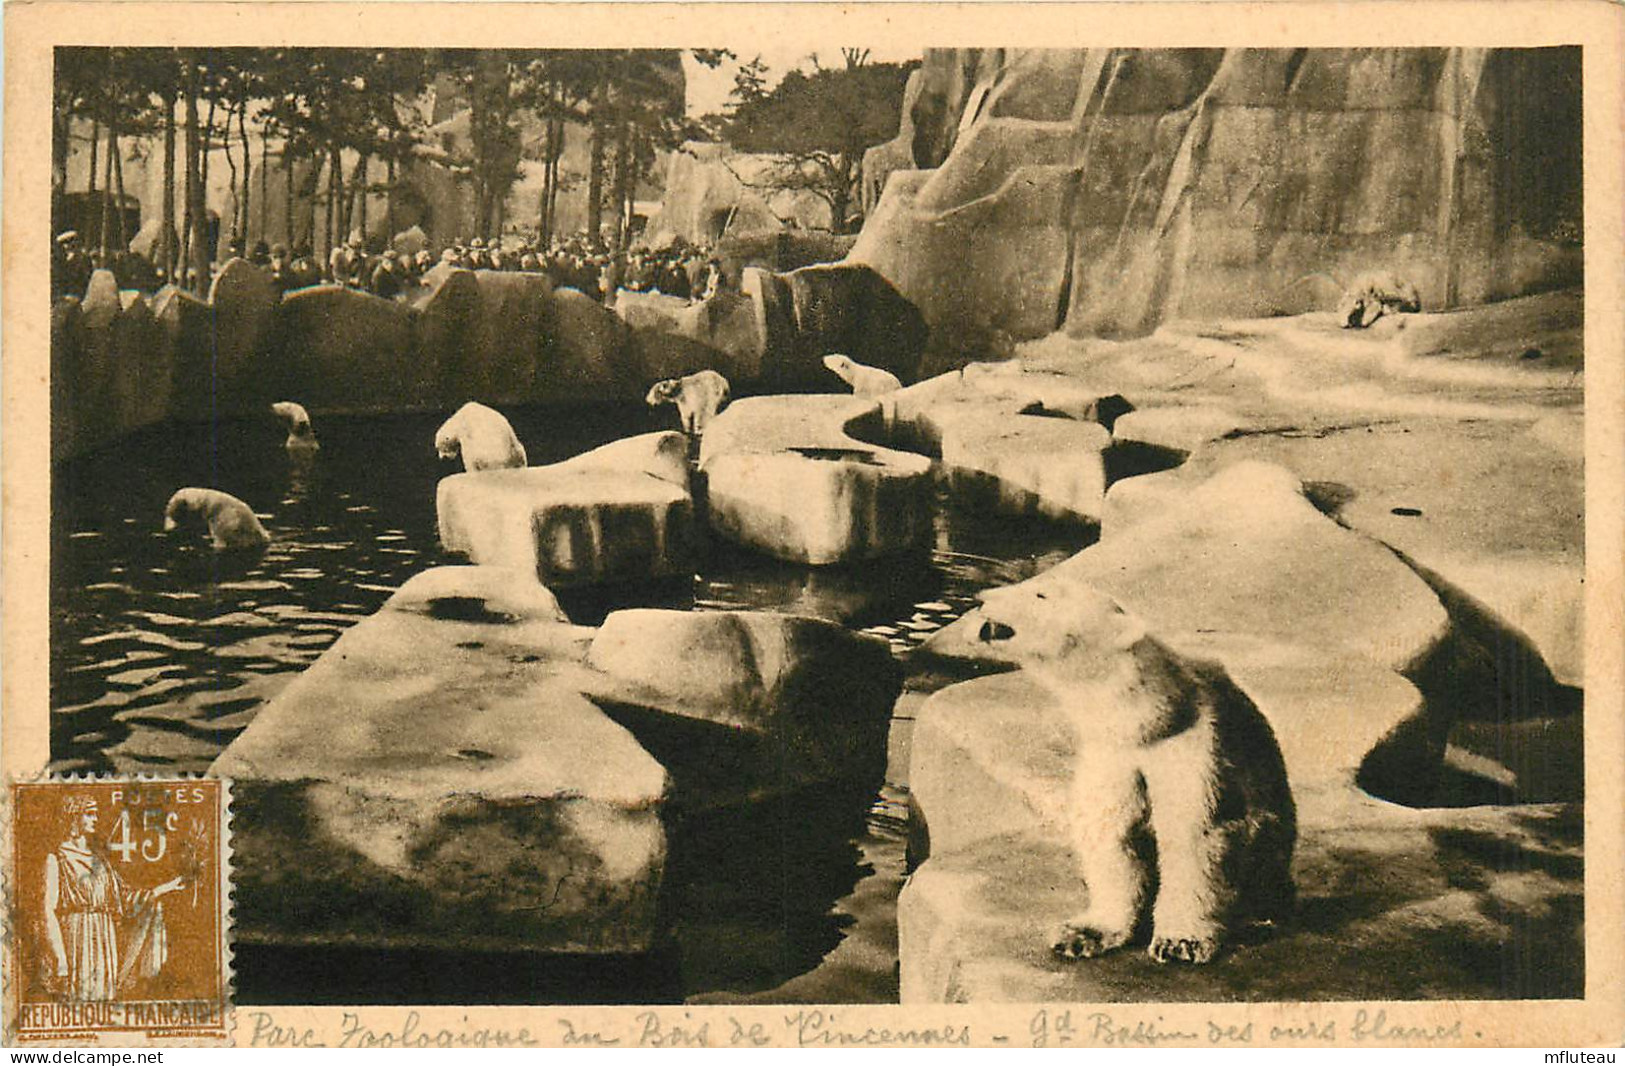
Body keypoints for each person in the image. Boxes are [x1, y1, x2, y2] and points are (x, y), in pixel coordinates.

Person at [42, 795, 184, 1002]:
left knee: (103, 1000)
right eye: (89, 814)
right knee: (79, 999)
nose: (95, 819)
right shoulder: (57, 858)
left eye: (96, 814)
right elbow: (47, 910)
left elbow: (125, 898)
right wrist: (60, 958)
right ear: (73, 817)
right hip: (77, 937)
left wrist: (165, 888)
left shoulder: (100, 861)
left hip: (103, 938)